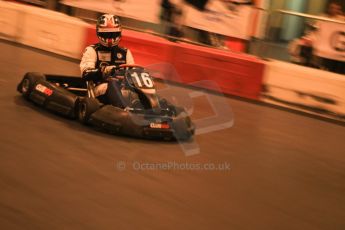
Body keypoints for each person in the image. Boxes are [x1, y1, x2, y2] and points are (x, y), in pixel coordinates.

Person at [80, 14, 135, 106]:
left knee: (139, 89)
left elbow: (133, 73)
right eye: (107, 34)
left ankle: (154, 107)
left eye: (113, 34)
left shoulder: (125, 52)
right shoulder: (92, 50)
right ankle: (124, 111)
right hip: (100, 88)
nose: (110, 38)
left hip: (123, 87)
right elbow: (85, 73)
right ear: (99, 33)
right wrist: (104, 71)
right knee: (113, 84)